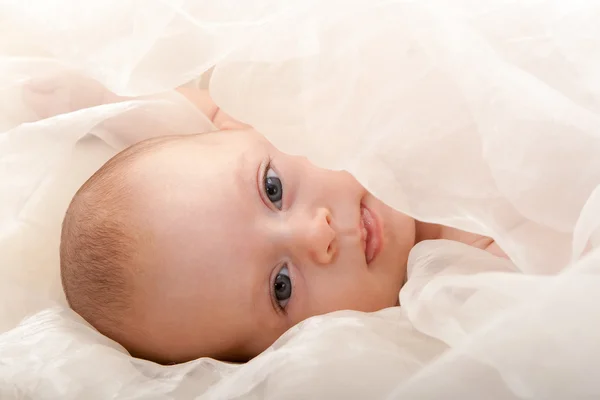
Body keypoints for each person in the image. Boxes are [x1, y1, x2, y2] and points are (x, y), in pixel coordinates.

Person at [59, 87, 508, 364]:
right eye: (281, 287)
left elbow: (204, 108)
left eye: (272, 189)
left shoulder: (332, 93)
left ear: (248, 126)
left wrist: (83, 98)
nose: (319, 235)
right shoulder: (472, 290)